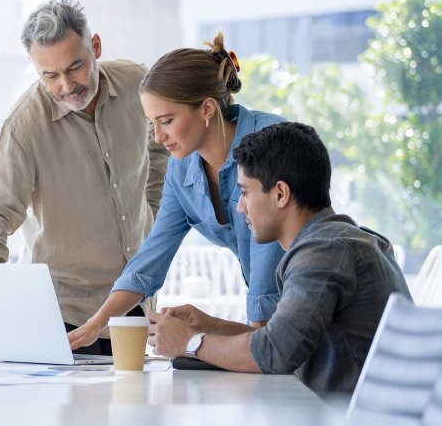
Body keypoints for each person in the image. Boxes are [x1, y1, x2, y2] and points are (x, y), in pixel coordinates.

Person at [0, 0, 168, 354]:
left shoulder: (138, 82)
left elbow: (160, 146)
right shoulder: (24, 126)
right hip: (65, 318)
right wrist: (1, 314)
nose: (67, 85)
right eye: (50, 75)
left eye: (75, 67)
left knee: (136, 408)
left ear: (96, 47)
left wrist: (150, 209)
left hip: (134, 304)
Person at [148, 122, 411, 396]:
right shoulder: (339, 240)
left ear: (281, 194)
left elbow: (275, 353)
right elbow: (283, 340)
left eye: (246, 192)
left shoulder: (323, 251)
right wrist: (210, 326)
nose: (239, 207)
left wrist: (191, 343)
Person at [67, 33, 287, 351]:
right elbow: (150, 259)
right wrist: (95, 325)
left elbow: (267, 275)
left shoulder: (268, 144)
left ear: (207, 109)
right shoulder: (182, 169)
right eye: (152, 124)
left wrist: (216, 344)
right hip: (278, 326)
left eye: (167, 121)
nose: (158, 137)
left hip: (317, 307)